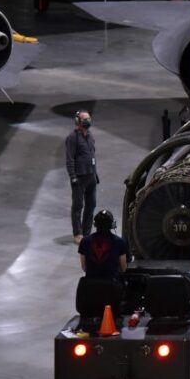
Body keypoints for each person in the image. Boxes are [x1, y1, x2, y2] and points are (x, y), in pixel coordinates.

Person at [65, 110, 98, 244]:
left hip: (91, 175)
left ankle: (86, 232)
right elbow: (70, 159)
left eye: (88, 118)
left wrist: (96, 174)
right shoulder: (72, 138)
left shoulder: (90, 136)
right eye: (85, 119)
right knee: (78, 206)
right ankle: (78, 234)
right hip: (79, 177)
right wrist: (73, 176)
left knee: (91, 204)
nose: (87, 121)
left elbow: (92, 156)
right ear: (78, 122)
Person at [78, 210, 129, 279]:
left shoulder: (85, 241)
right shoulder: (120, 242)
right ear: (112, 224)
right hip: (112, 286)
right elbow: (123, 269)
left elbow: (84, 268)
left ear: (95, 224)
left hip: (91, 285)